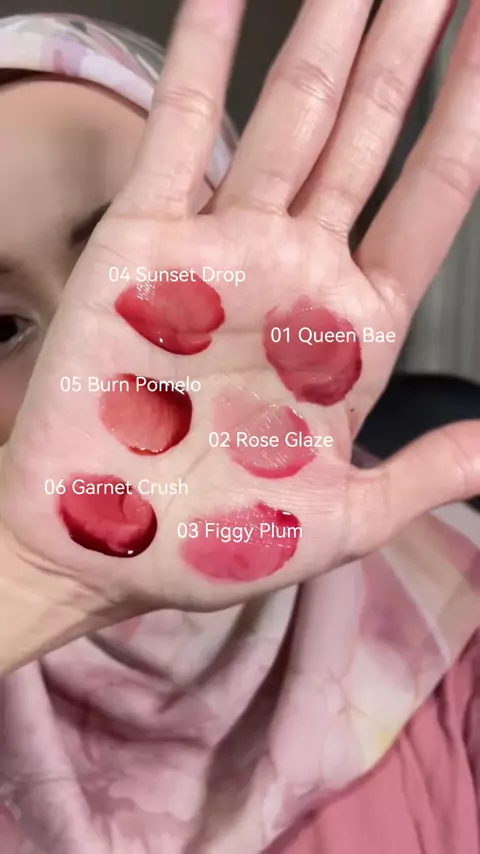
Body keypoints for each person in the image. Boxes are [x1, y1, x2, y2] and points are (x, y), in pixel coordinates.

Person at [0, 3, 480, 853]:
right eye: (1, 328)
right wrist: (29, 586)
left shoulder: (461, 619)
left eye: (144, 258)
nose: (87, 368)